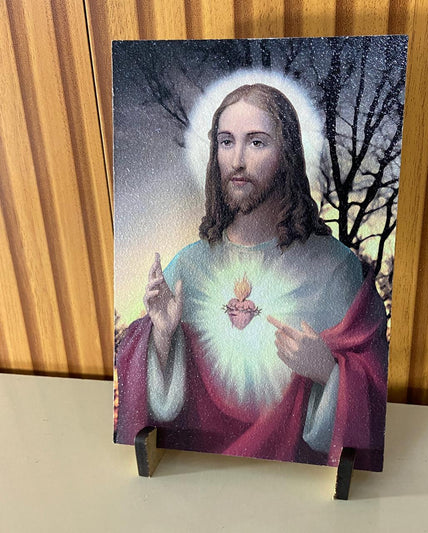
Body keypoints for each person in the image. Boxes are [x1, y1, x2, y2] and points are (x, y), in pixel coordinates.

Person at [115, 84, 388, 471]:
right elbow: (156, 411)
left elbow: (373, 395)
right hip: (198, 474)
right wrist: (161, 337)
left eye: (257, 142)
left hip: (295, 483)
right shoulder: (188, 268)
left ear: (287, 155)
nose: (238, 161)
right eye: (226, 142)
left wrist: (327, 372)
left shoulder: (335, 268)